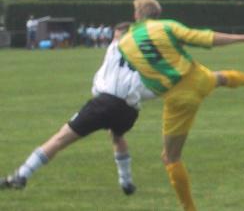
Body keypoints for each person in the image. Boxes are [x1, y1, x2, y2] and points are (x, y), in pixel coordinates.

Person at [118, 0, 244, 211]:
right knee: (220, 78)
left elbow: (143, 75)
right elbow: (204, 38)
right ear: (157, 14)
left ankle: (189, 208)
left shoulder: (124, 43)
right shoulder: (166, 26)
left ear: (136, 15)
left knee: (170, 157)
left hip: (178, 98)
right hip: (196, 77)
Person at [0, 22, 155, 194]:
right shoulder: (144, 56)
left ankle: (21, 175)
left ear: (121, 36)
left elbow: (104, 73)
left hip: (105, 103)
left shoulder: (114, 47)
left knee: (61, 138)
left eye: (116, 33)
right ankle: (126, 182)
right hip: (129, 111)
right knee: (118, 136)